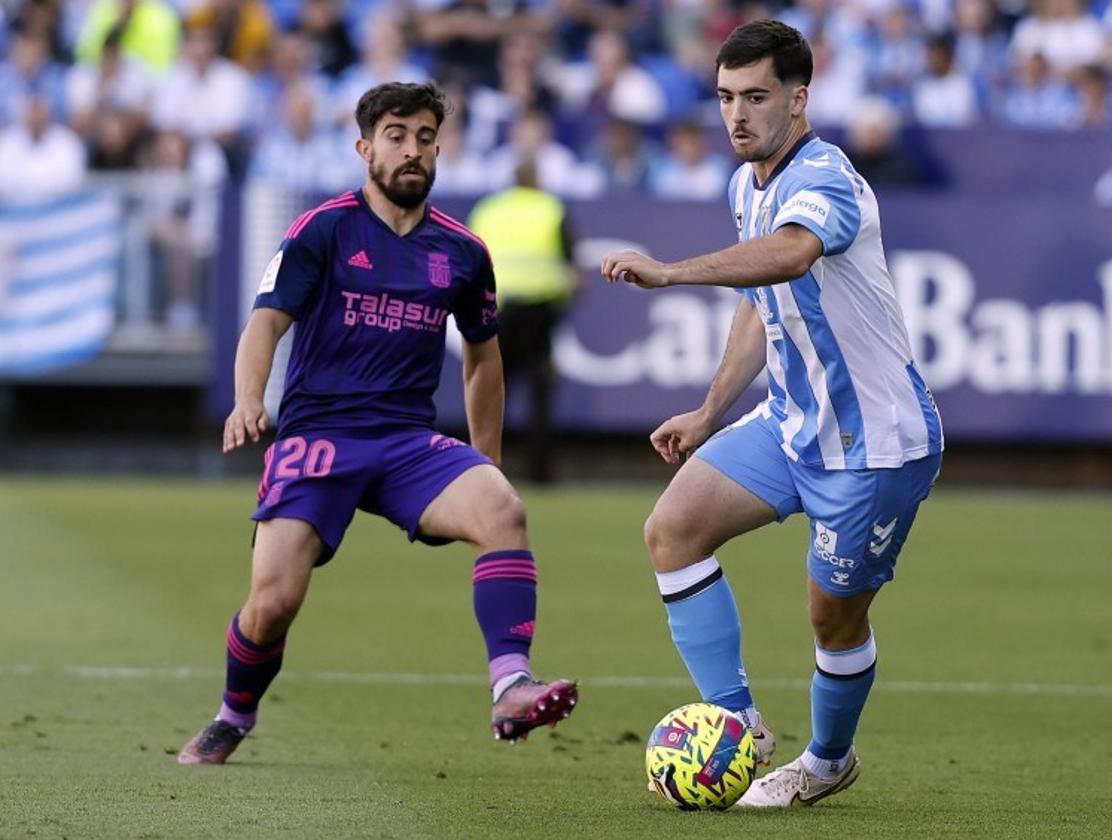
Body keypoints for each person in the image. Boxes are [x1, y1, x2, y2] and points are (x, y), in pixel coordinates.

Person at [177, 81, 578, 765]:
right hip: (316, 437)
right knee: (273, 602)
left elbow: (484, 360)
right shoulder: (322, 230)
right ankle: (232, 715)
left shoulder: (462, 251)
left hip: (404, 442)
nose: (412, 149)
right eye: (396, 134)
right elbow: (265, 323)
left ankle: (511, 686)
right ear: (365, 148)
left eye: (425, 137)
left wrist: (485, 462)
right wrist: (249, 400)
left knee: (503, 510)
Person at [601, 20, 943, 808]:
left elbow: (791, 255)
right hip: (790, 425)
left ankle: (827, 762)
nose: (737, 116)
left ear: (799, 98)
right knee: (672, 530)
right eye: (725, 98)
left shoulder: (826, 178)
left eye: (756, 97)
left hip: (873, 446)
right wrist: (710, 411)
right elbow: (764, 303)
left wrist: (672, 274)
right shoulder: (744, 184)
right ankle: (736, 726)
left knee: (831, 619)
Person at [468, 160, 579, 484]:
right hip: (541, 312)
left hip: (499, 311)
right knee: (540, 393)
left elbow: (471, 259)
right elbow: (571, 266)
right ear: (537, 179)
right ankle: (540, 472)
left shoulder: (488, 210)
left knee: (490, 390)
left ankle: (480, 465)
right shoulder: (550, 208)